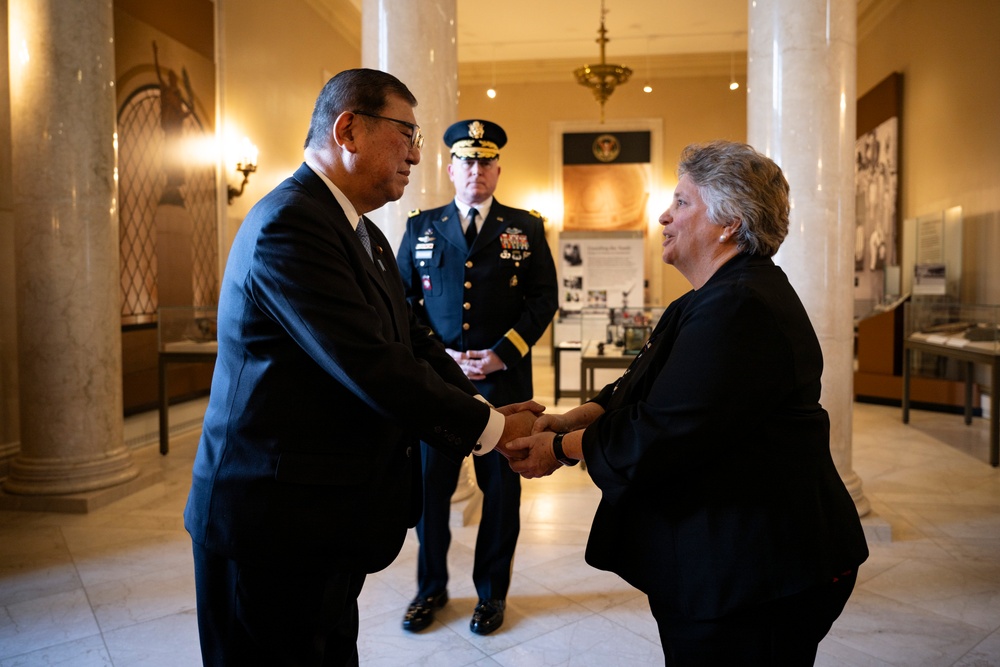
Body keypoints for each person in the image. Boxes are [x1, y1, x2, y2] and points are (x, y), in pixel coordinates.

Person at [183, 69, 540, 667]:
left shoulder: (362, 232)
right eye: (407, 133)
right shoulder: (290, 225)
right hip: (272, 525)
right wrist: (495, 435)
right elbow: (370, 364)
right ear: (348, 129)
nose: (418, 154)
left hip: (322, 520)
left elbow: (411, 340)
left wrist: (485, 412)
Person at [509, 140, 870, 665]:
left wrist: (561, 448)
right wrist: (566, 420)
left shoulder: (740, 306)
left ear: (729, 223)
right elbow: (635, 388)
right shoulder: (712, 296)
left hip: (758, 573)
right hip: (729, 559)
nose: (663, 215)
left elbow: (666, 429)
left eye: (681, 202)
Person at [396, 119, 559, 635]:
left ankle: (491, 594)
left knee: (502, 496)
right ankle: (431, 589)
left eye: (485, 162)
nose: (476, 171)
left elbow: (543, 298)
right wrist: (442, 356)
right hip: (439, 386)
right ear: (450, 169)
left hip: (504, 384)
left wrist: (501, 354)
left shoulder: (526, 227)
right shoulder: (421, 226)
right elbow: (402, 304)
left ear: (497, 170)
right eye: (466, 162)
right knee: (430, 493)